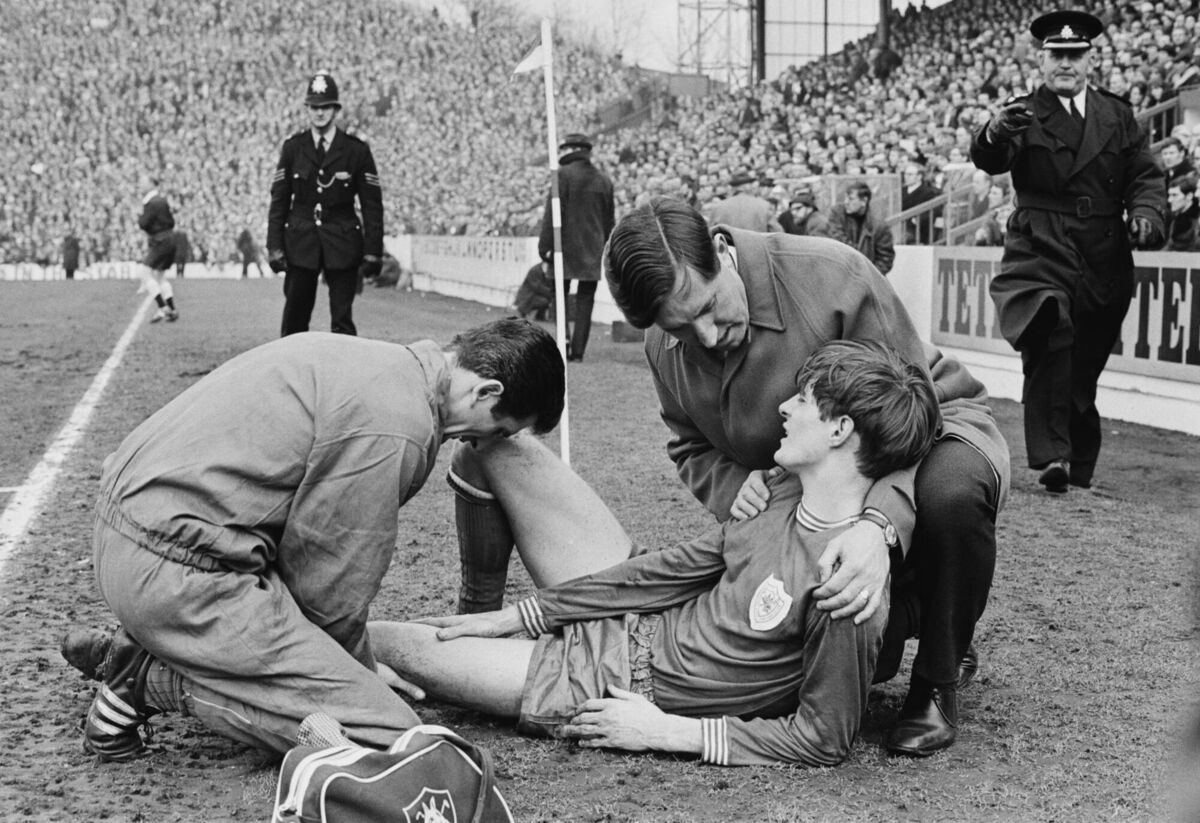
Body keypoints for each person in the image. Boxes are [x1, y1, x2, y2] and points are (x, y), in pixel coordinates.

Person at [369, 340, 941, 766]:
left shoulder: (849, 589)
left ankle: (289, 650)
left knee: (387, 641)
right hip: (637, 617)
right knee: (498, 442)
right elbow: (675, 570)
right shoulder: (781, 489)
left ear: (841, 430)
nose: (785, 408)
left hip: (617, 679)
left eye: (803, 400)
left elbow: (823, 739)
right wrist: (518, 614)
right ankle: (477, 607)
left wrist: (667, 731)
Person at [600, 197, 1010, 757]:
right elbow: (689, 445)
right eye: (683, 328)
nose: (709, 336)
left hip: (930, 427)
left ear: (722, 251)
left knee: (949, 496)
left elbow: (909, 414)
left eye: (710, 306)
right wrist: (731, 482)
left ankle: (938, 676)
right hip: (814, 480)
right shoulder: (664, 344)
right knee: (860, 640)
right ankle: (929, 614)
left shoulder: (832, 276)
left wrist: (879, 525)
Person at [58, 318, 564, 761]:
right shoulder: (397, 425)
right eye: (500, 430)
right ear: (487, 393)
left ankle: (166, 649)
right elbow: (327, 587)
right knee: (394, 741)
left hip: (130, 536)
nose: (482, 444)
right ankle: (151, 678)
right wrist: (355, 674)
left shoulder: (369, 359)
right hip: (176, 577)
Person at [969, 9, 1165, 494]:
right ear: (1041, 59)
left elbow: (1144, 173)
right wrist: (994, 133)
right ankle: (1052, 454)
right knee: (1049, 326)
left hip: (1103, 251)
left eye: (1075, 55)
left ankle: (1078, 456)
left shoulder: (1117, 115)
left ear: (1090, 61)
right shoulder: (1022, 111)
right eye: (1057, 54)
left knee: (1085, 354)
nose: (1066, 64)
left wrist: (1147, 215)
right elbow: (994, 156)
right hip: (1040, 243)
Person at [267, 71, 383, 337]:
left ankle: (343, 377)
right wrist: (274, 245)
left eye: (326, 107)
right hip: (301, 243)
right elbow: (279, 201)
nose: (320, 113)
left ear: (335, 109)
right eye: (314, 107)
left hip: (342, 243)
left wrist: (373, 251)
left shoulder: (356, 150)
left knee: (342, 322)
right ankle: (293, 374)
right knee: (294, 319)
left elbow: (372, 205)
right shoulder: (293, 148)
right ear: (307, 109)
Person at [538, 133, 615, 362]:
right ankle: (578, 351)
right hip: (592, 248)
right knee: (585, 300)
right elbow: (609, 220)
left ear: (571, 150)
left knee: (559, 295)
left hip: (565, 246)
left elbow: (553, 214)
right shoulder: (604, 180)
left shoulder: (562, 175)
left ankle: (565, 340)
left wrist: (545, 247)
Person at [826, 181, 896, 275]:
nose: (846, 202)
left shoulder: (879, 226)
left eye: (851, 199)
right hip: (839, 274)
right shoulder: (837, 213)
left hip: (866, 279)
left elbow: (885, 258)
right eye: (846, 198)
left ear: (864, 201)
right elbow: (837, 240)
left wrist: (868, 276)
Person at [137, 177, 180, 324]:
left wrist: (139, 216)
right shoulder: (162, 200)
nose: (140, 185)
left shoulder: (151, 202)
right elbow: (172, 222)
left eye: (142, 183)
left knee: (145, 273)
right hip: (170, 238)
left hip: (160, 240)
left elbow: (144, 223)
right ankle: (172, 309)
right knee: (160, 276)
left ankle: (163, 307)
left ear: (150, 184)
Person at [707, 172, 783, 233]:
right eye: (751, 185)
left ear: (733, 188)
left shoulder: (718, 207)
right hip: (757, 250)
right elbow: (778, 234)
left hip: (729, 251)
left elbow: (709, 236)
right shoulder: (764, 206)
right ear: (747, 187)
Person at [900, 162, 943, 244]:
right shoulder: (901, 191)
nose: (906, 177)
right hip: (899, 226)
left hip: (918, 230)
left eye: (910, 174)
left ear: (919, 176)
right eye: (905, 174)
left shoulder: (929, 192)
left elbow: (933, 211)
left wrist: (915, 220)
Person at [1164, 176, 1200, 251]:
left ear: (1189, 196)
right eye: (1169, 195)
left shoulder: (1196, 221)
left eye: (1174, 195)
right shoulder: (1174, 220)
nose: (1169, 200)